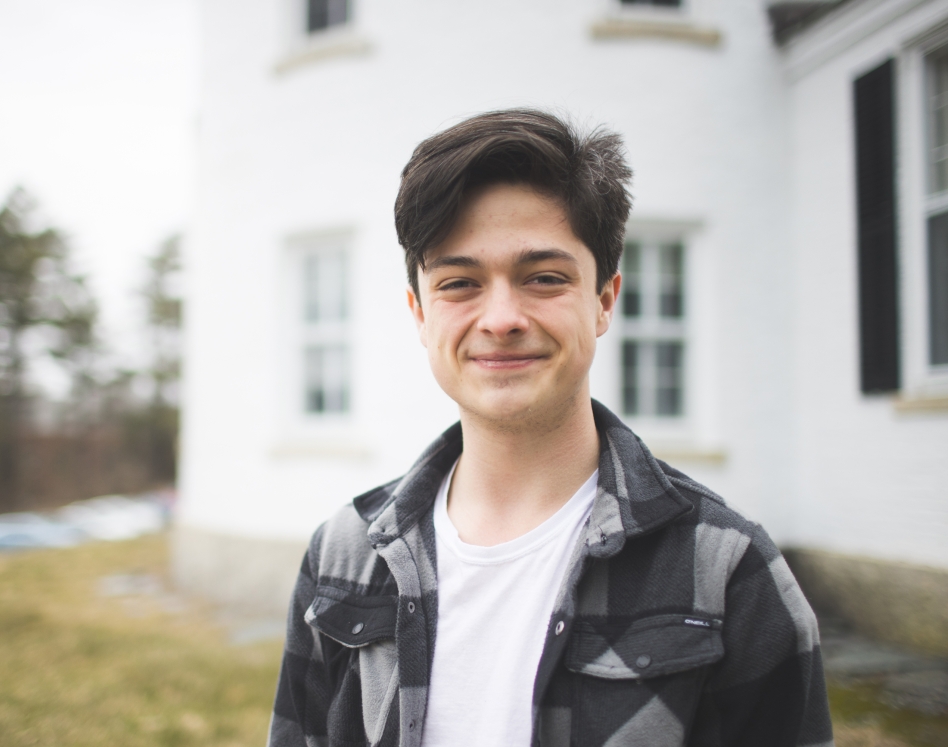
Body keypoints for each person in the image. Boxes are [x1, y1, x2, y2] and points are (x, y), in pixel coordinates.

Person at [268, 109, 832, 747]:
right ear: (420, 314)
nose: (501, 318)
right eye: (460, 283)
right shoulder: (342, 556)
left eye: (543, 278)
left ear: (604, 300)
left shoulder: (727, 569)